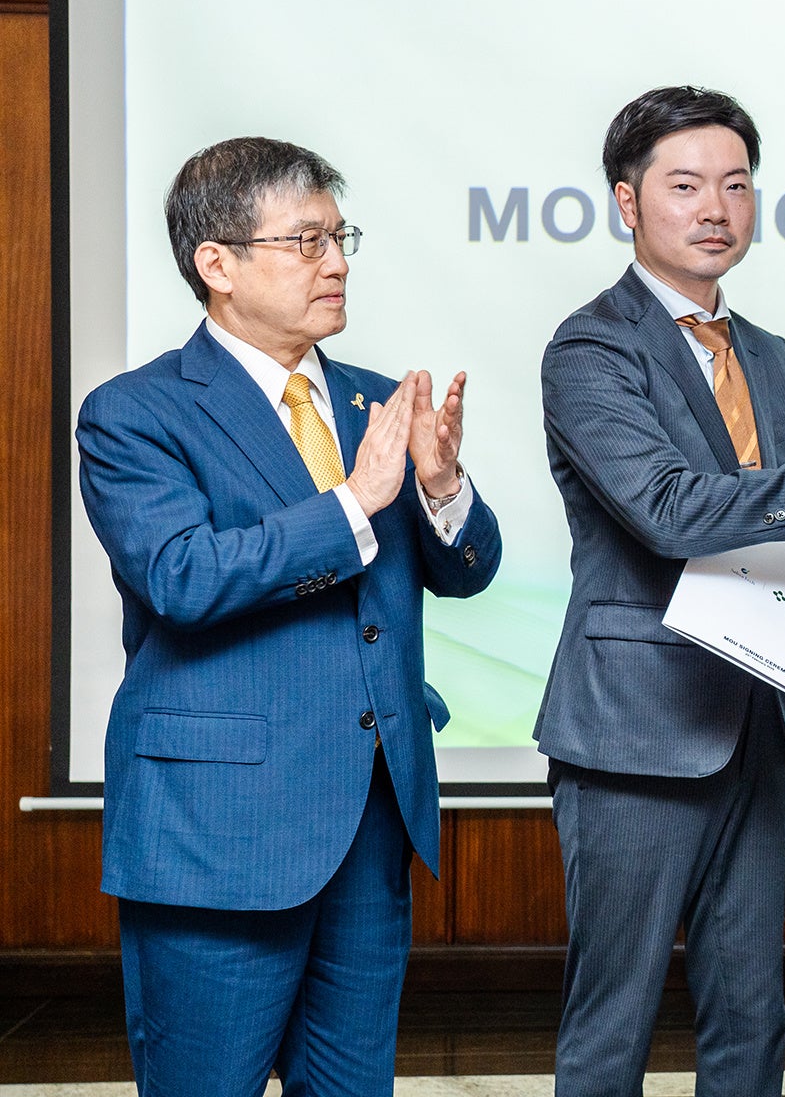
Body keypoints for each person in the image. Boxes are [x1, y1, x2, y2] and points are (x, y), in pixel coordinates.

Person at [536, 85, 785, 1095]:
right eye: (685, 186)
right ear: (627, 201)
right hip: (636, 730)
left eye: (736, 185)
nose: (716, 208)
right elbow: (670, 510)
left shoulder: (768, 354)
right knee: (613, 1022)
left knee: (752, 1014)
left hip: (759, 717)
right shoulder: (590, 348)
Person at [75, 137, 502, 1096]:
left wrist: (441, 488)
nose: (336, 261)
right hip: (220, 830)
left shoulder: (373, 402)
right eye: (306, 241)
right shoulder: (135, 412)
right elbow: (182, 578)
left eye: (340, 237)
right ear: (216, 264)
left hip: (370, 821)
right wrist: (355, 503)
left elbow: (467, 573)